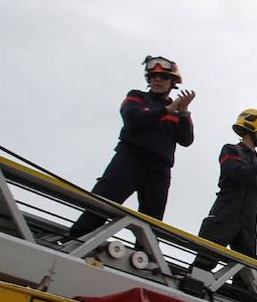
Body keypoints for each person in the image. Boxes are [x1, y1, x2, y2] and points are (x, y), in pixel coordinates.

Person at [68, 56, 195, 239]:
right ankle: (75, 239)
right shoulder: (137, 97)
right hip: (129, 160)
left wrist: (183, 112)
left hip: (159, 170)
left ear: (173, 82)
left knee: (151, 224)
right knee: (101, 206)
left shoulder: (179, 110)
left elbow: (186, 140)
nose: (157, 79)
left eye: (163, 76)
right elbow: (134, 120)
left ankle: (147, 261)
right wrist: (168, 109)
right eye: (153, 76)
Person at [194, 109, 257, 269]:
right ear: (252, 126)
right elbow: (235, 173)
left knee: (246, 273)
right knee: (204, 263)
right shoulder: (231, 150)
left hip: (248, 224)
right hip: (225, 216)